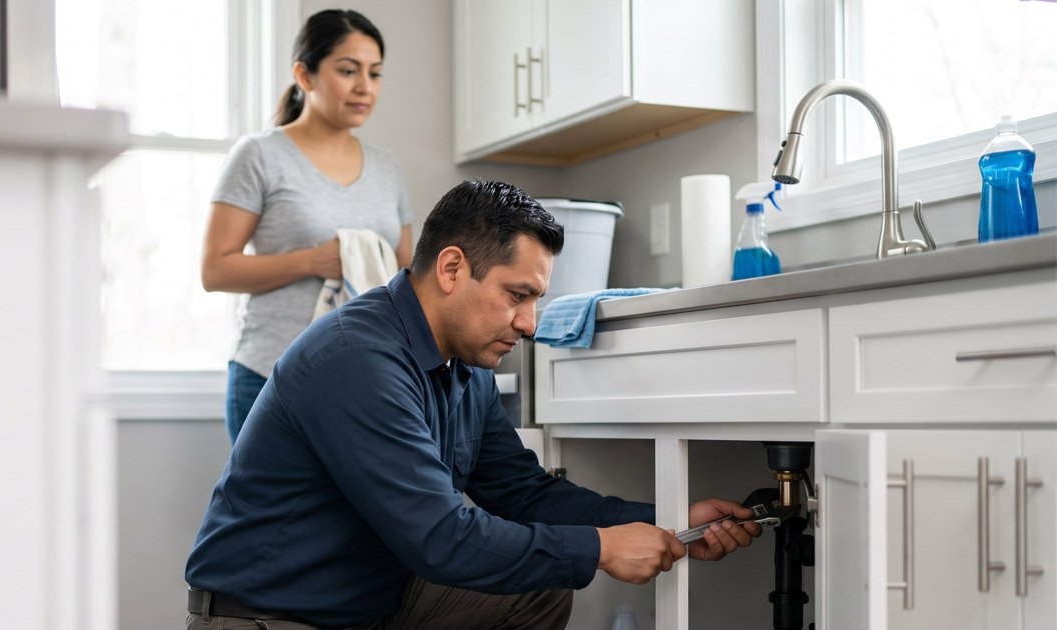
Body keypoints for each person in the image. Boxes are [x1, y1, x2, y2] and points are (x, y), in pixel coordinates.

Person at [184, 180, 762, 629]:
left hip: (368, 608)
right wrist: (602, 546)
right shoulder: (357, 359)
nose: (530, 323)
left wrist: (663, 516)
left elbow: (524, 494)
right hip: (267, 619)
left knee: (537, 586)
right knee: (559, 561)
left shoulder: (465, 365)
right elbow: (440, 538)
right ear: (453, 267)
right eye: (518, 295)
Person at [201, 9, 413, 444]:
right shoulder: (259, 155)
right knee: (273, 513)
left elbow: (408, 276)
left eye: (375, 73)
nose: (364, 87)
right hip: (269, 374)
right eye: (347, 70)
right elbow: (215, 270)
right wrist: (314, 261)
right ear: (305, 74)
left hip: (364, 379)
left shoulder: (388, 169)